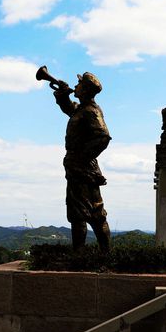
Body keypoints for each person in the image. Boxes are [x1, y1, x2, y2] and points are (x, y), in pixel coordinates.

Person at [54, 71, 111, 251]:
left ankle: (83, 256)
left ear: (85, 90)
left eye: (78, 84)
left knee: (85, 213)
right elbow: (69, 109)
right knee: (88, 212)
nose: (75, 86)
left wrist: (82, 157)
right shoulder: (82, 109)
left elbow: (103, 137)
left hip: (82, 167)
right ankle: (101, 254)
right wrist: (62, 95)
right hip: (79, 166)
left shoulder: (91, 111)